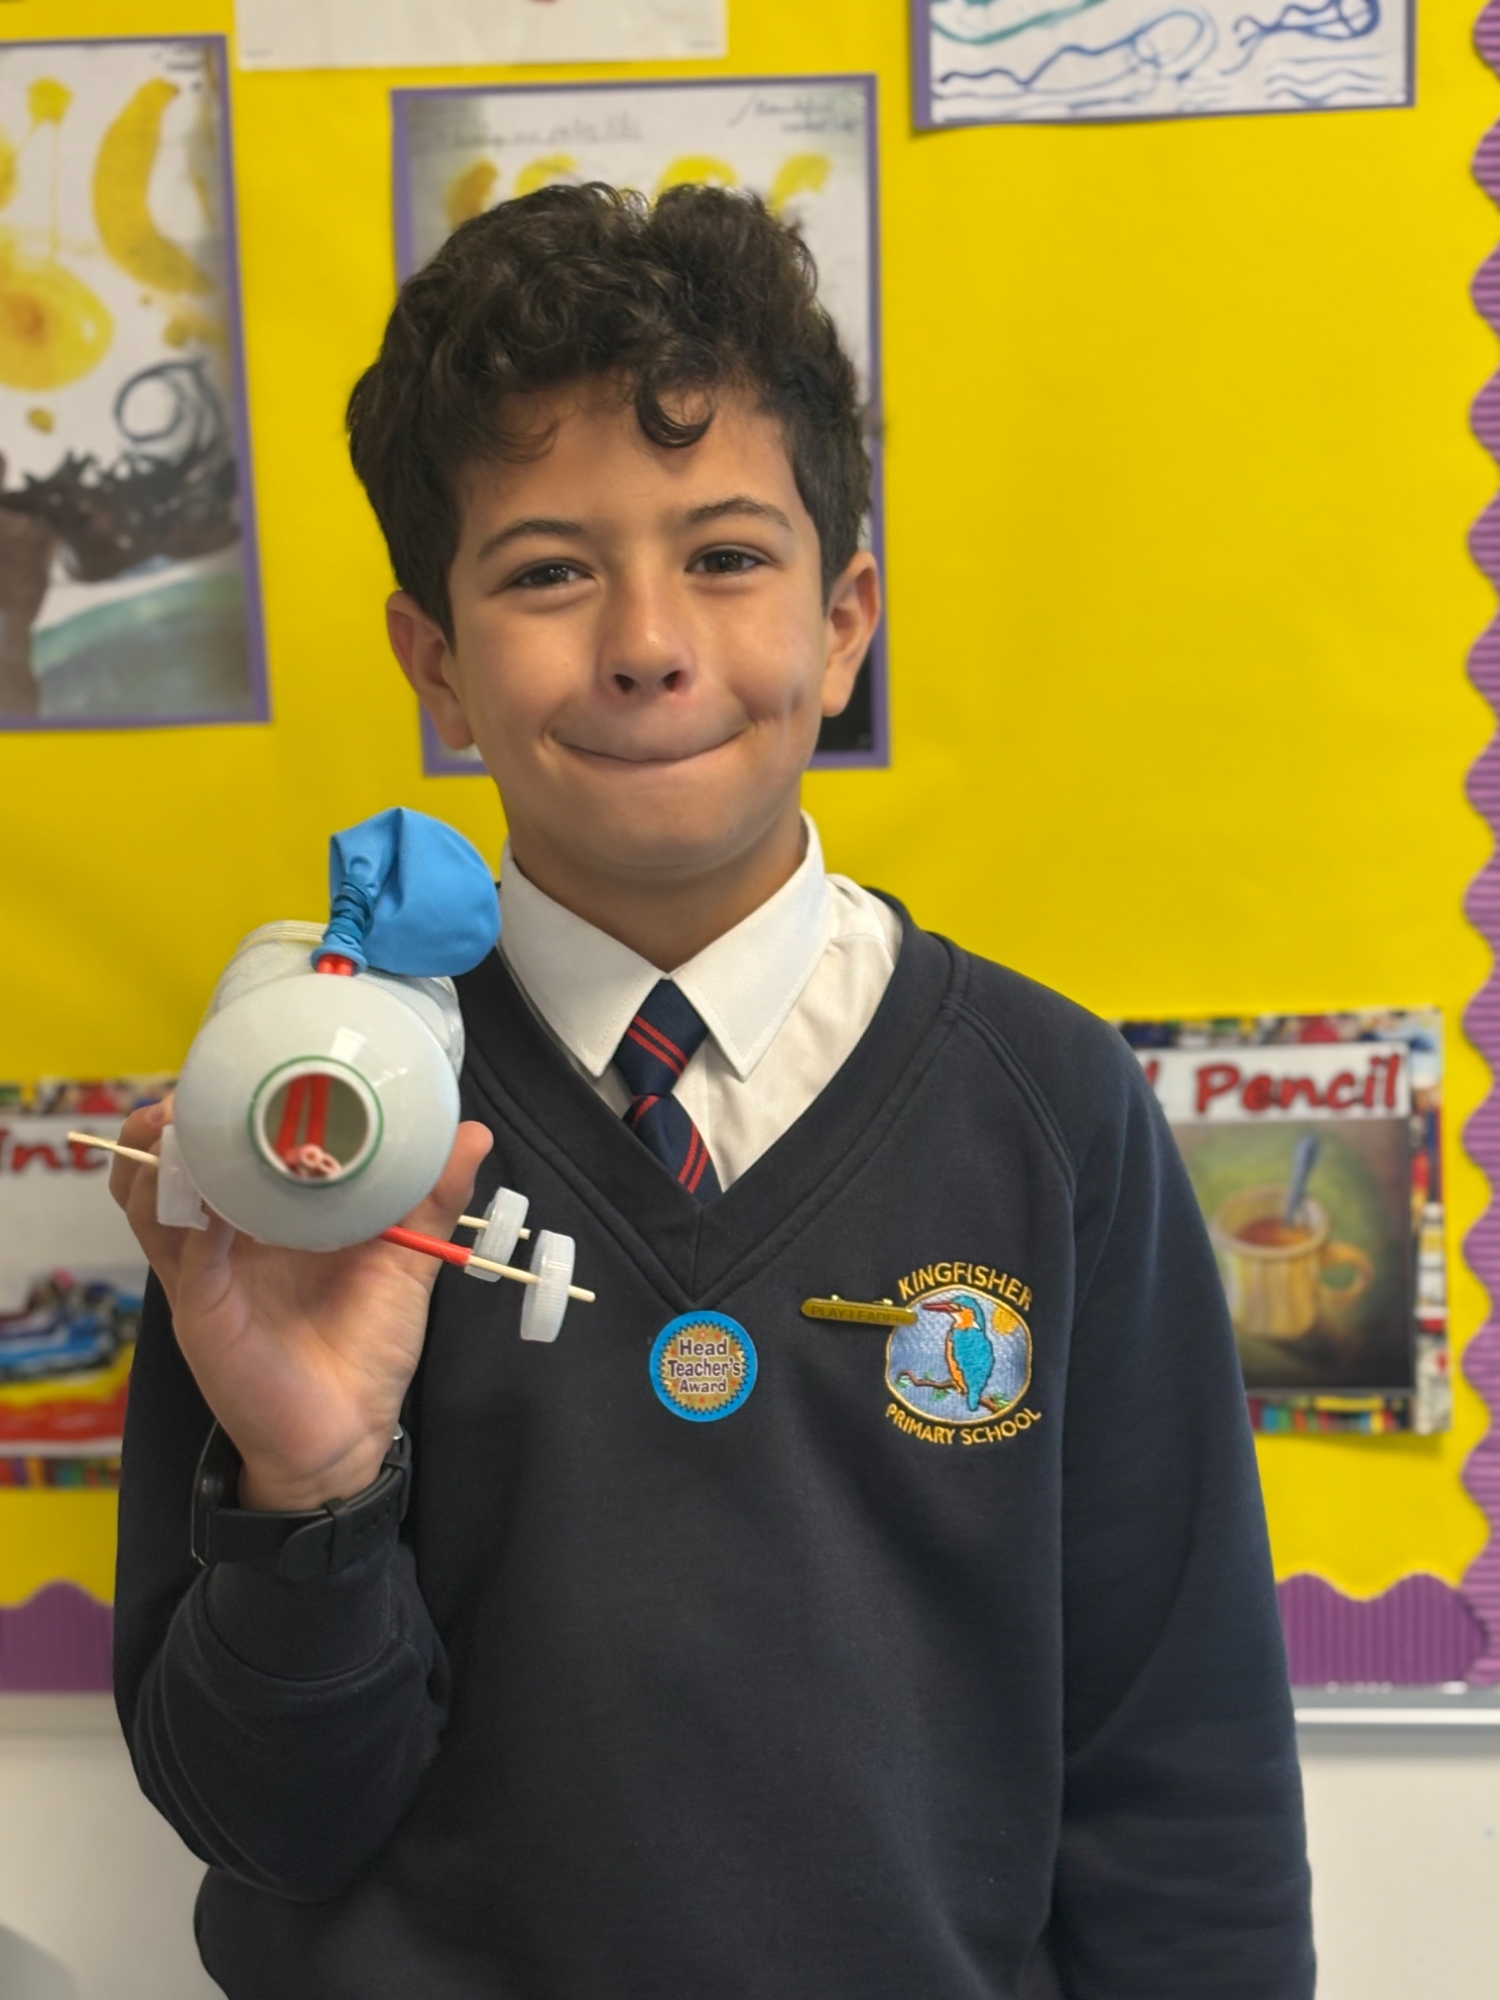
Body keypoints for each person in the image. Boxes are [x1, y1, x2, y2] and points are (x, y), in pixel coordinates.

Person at [110, 184, 1314, 2000]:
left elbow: (1182, 1788)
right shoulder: (310, 1116)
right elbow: (262, 1822)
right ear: (436, 662)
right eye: (547, 571)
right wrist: (312, 1483)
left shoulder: (1052, 1108)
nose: (647, 640)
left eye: (728, 556)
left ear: (844, 620)